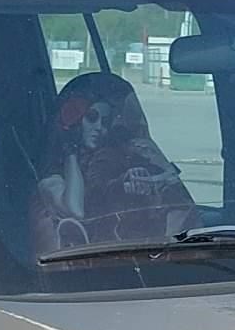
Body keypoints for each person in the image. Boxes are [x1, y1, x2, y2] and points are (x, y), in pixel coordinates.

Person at [28, 71, 198, 258]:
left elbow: (185, 219)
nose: (100, 127)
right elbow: (76, 209)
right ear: (76, 123)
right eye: (91, 117)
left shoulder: (117, 160)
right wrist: (70, 147)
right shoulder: (52, 179)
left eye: (106, 121)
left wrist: (149, 174)